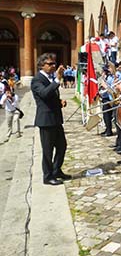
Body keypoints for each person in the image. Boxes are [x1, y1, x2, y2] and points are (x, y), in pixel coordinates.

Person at [31, 53, 72, 186]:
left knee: (62, 146)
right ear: (42, 65)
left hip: (55, 118)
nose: (53, 66)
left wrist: (59, 102)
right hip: (46, 120)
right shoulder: (37, 79)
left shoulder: (49, 78)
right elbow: (44, 93)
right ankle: (47, 176)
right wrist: (57, 80)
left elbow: (50, 96)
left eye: (54, 63)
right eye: (50, 64)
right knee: (48, 150)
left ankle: (56, 170)